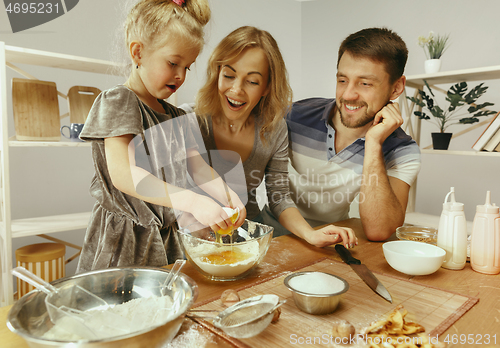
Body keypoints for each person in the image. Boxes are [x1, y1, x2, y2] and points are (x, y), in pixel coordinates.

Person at [76, 0, 246, 273]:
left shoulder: (179, 117)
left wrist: (228, 197)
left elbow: (200, 169)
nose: (180, 76)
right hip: (123, 243)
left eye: (187, 67)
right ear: (138, 52)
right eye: (173, 63)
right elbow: (124, 175)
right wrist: (191, 200)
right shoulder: (119, 101)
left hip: (167, 239)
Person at [184, 26, 357, 249]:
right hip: (192, 241)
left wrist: (311, 234)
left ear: (266, 87)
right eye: (228, 75)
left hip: (246, 240)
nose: (236, 90)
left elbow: (278, 197)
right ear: (217, 72)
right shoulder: (188, 121)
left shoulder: (274, 130)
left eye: (252, 81)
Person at [282, 27, 421, 241]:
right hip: (275, 232)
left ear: (396, 88)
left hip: (334, 238)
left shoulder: (402, 150)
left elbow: (380, 230)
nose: (348, 94)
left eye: (365, 83)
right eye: (342, 80)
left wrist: (373, 144)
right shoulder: (295, 116)